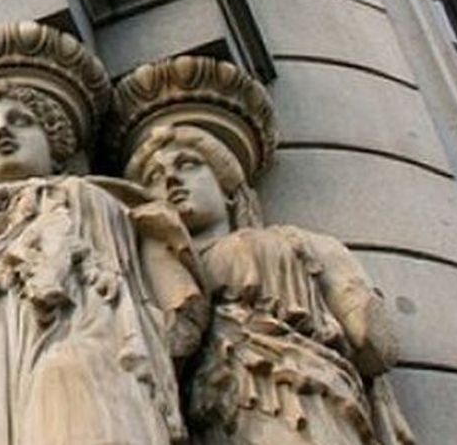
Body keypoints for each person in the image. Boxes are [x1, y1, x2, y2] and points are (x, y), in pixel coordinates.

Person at [0, 22, 204, 445]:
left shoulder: (87, 200)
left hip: (74, 378)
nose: (2, 132)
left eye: (20, 121)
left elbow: (153, 313)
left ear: (54, 144)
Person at [119, 57, 415, 445]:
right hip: (216, 409)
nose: (171, 179)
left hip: (311, 393)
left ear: (227, 187)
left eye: (188, 165)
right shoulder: (156, 270)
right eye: (154, 178)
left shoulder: (298, 243)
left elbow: (374, 343)